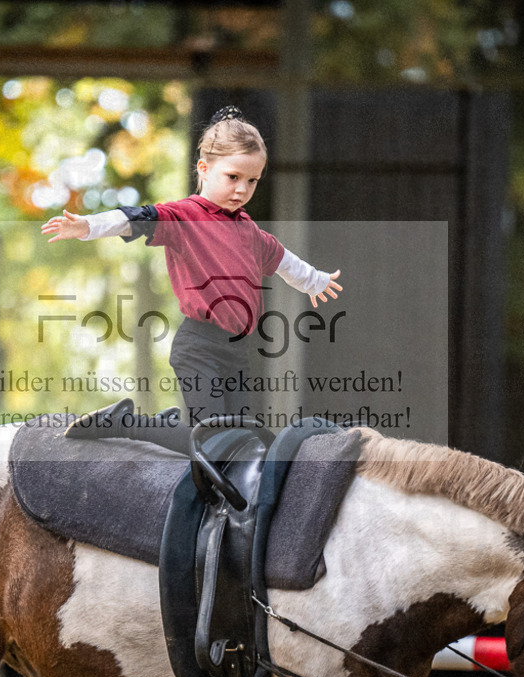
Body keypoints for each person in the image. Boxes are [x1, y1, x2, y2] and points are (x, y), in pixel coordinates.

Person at [40, 106, 342, 452]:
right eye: (233, 177)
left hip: (236, 351)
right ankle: (127, 423)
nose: (242, 189)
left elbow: (285, 261)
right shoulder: (184, 217)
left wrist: (315, 281)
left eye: (252, 181)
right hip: (198, 346)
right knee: (212, 441)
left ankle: (190, 452)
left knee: (244, 443)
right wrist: (88, 226)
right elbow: (136, 218)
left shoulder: (249, 231)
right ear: (204, 168)